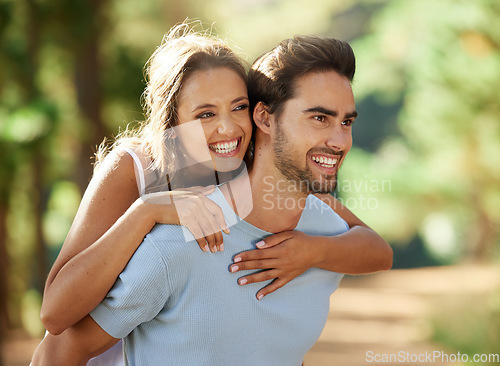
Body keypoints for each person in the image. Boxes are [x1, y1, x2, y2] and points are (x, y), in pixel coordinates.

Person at [31, 34, 392, 365]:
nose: (228, 128)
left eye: (238, 108)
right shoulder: (135, 170)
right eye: (205, 114)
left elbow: (371, 245)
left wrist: (313, 251)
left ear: (256, 114)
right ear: (172, 123)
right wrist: (146, 212)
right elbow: (56, 319)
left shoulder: (261, 178)